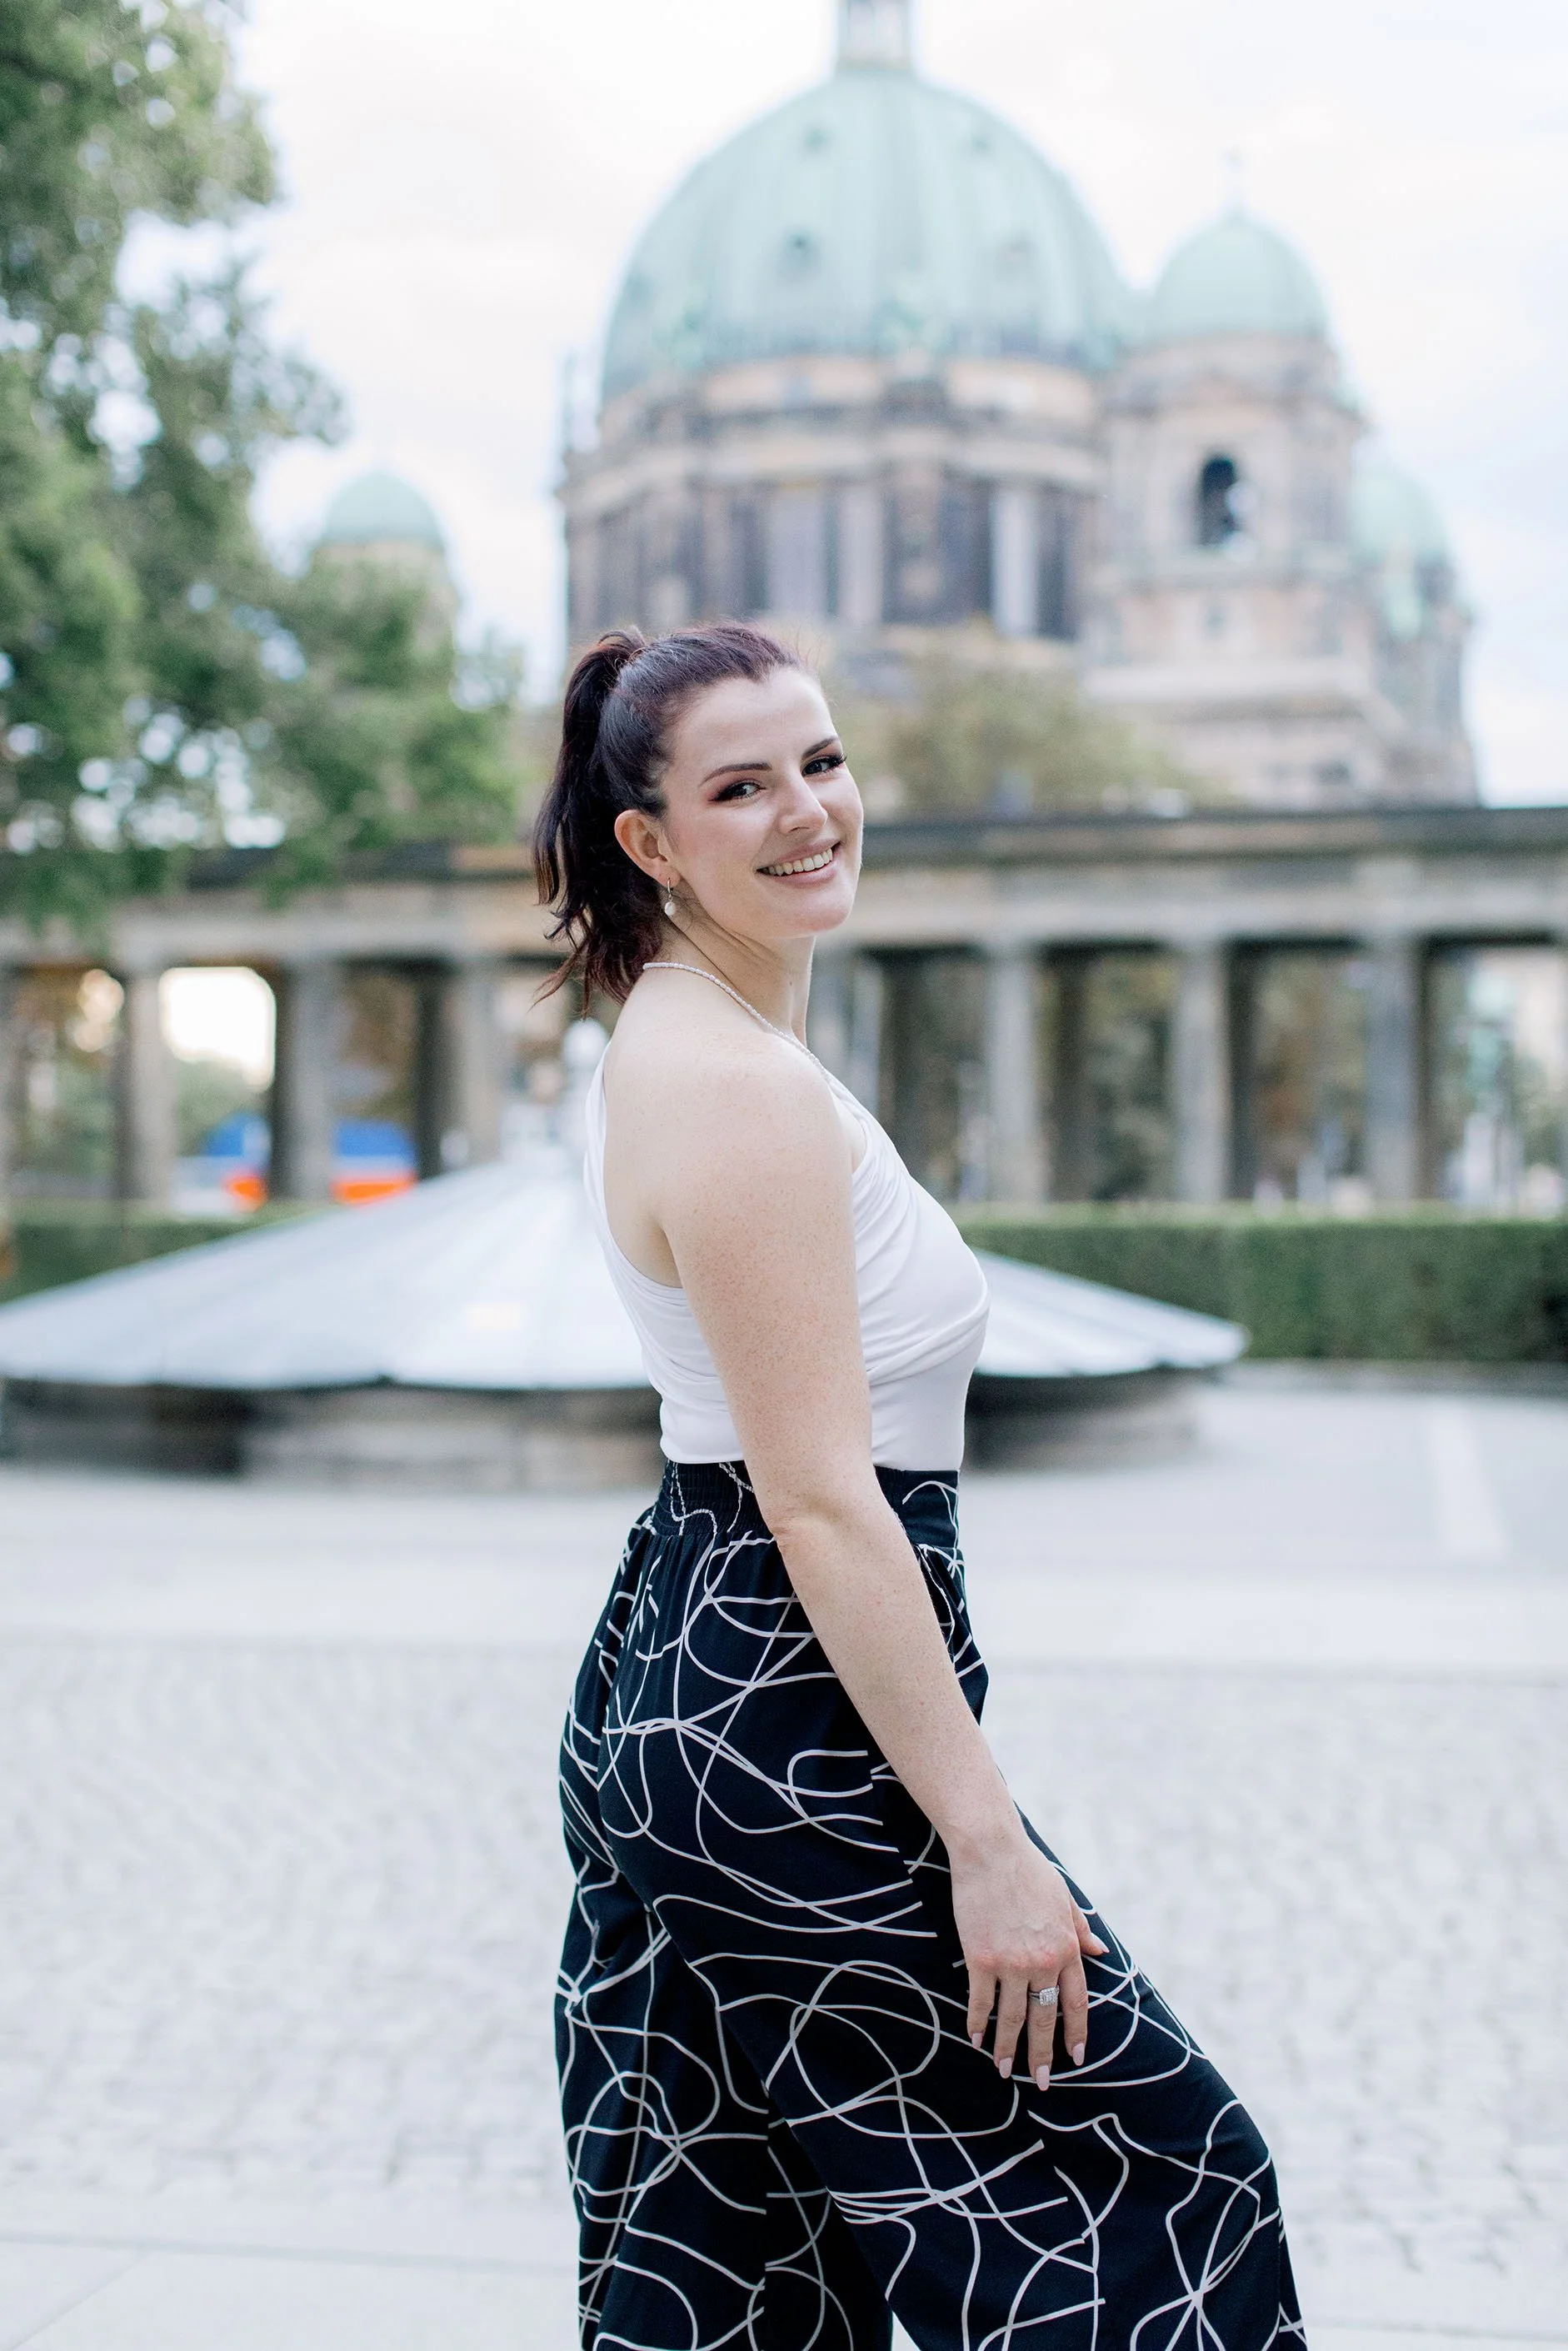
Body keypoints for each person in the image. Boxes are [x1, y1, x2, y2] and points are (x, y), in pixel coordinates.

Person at [537, 622, 1305, 2351]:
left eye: (819, 761)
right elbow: (817, 1499)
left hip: (710, 1675)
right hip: (779, 1709)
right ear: (650, 841)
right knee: (1160, 2203)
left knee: (734, 2266)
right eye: (742, 787)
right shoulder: (735, 1088)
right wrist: (987, 1844)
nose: (807, 811)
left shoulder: (689, 1037)